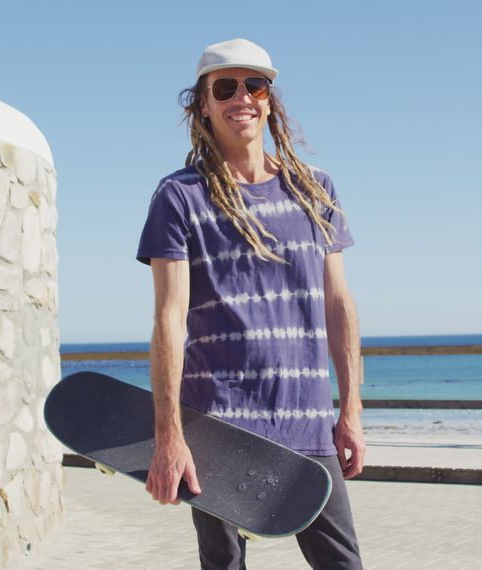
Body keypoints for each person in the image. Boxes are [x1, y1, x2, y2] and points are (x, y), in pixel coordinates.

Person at [136, 38, 365, 569]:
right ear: (203, 104)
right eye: (225, 87)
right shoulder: (180, 196)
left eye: (255, 85)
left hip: (308, 423)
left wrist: (350, 408)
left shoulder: (315, 190)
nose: (242, 97)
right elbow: (169, 318)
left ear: (270, 99)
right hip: (217, 426)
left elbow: (338, 304)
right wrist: (168, 434)